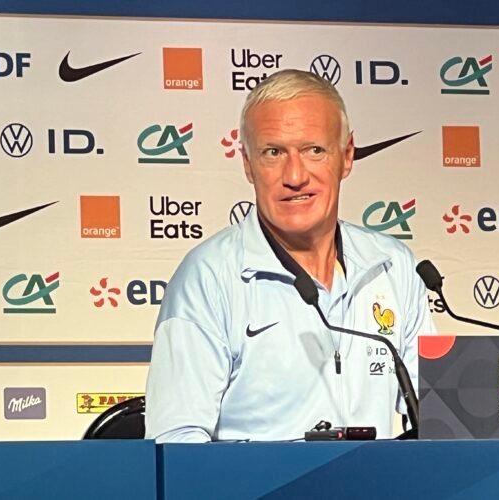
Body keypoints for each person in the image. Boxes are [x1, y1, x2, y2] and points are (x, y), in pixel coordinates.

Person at [145, 69, 435, 443]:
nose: (295, 176)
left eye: (314, 150)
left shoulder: (392, 266)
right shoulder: (208, 277)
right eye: (273, 152)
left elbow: (438, 419)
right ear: (247, 164)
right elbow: (175, 440)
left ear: (347, 156)